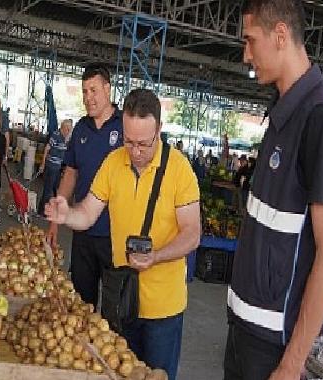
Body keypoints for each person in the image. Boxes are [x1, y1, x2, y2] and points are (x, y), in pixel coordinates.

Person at [225, 1, 323, 379]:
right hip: (247, 330)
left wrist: (292, 364)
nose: (247, 55)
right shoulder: (283, 110)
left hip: (277, 346)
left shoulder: (321, 119)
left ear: (280, 35)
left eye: (251, 40)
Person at [46, 89, 200, 380]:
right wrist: (67, 215)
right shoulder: (114, 162)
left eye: (144, 143)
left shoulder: (180, 170)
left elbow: (192, 234)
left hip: (163, 309)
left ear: (159, 131)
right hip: (122, 300)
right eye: (129, 141)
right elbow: (89, 213)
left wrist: (156, 256)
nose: (136, 151)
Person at [46, 64, 123, 308]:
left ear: (108, 89)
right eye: (84, 92)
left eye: (93, 90)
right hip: (82, 231)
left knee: (114, 311)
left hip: (115, 235)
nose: (88, 98)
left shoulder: (124, 127)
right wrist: (56, 220)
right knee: (80, 303)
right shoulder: (81, 128)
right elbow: (70, 174)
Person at [37, 119, 73, 216]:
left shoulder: (66, 138)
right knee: (48, 190)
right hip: (51, 166)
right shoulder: (56, 135)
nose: (69, 131)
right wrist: (43, 164)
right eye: (68, 129)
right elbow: (47, 149)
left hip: (58, 167)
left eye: (70, 129)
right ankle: (41, 212)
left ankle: (54, 209)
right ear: (63, 127)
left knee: (56, 189)